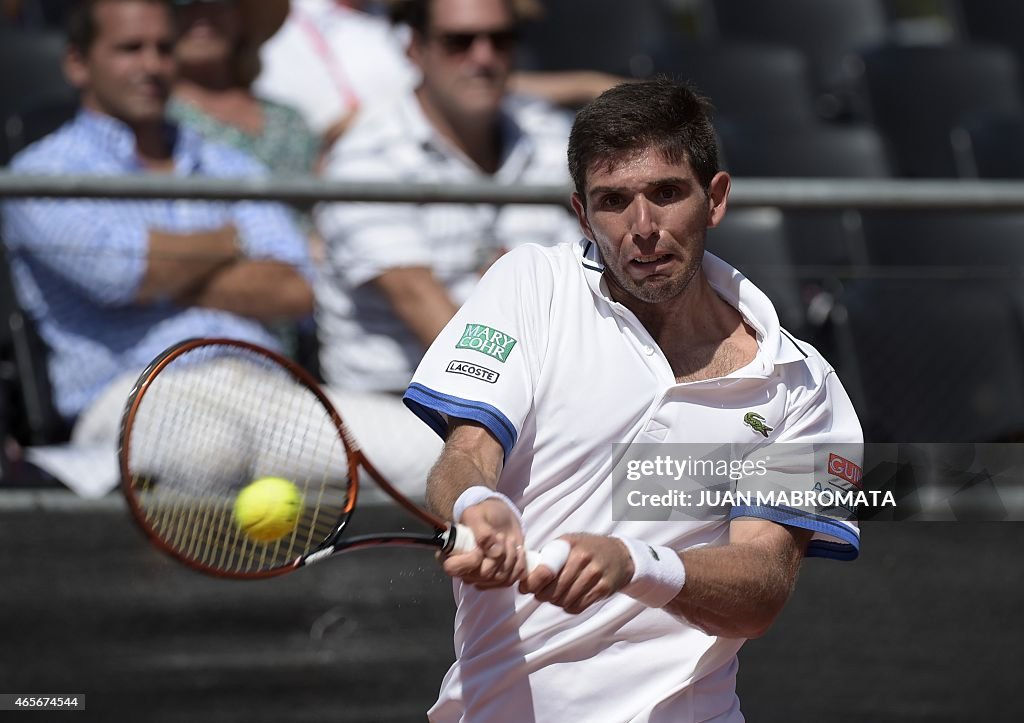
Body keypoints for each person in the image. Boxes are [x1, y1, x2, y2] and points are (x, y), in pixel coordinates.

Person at [402, 78, 864, 721]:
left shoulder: (802, 386)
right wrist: (478, 506)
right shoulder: (531, 283)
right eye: (613, 201)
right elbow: (469, 452)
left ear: (716, 199)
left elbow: (762, 587)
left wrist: (637, 565)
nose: (642, 228)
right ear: (582, 213)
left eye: (666, 193)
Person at [2, 0, 314, 459]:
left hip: (266, 380)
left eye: (165, 48)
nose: (152, 65)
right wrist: (231, 241)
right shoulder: (40, 172)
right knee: (212, 452)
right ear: (77, 63)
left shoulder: (228, 163)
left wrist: (160, 273)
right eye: (130, 48)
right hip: (134, 391)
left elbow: (294, 289)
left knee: (419, 453)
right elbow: (120, 275)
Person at [254, 0, 623, 150]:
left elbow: (469, 77)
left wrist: (589, 84)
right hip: (385, 168)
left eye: (502, 38)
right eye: (458, 41)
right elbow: (324, 134)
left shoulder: (387, 18)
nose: (482, 54)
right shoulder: (287, 25)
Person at [168, 0, 319, 177]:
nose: (202, 15)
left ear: (241, 16)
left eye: (218, 2)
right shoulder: (153, 120)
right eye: (183, 2)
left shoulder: (290, 122)